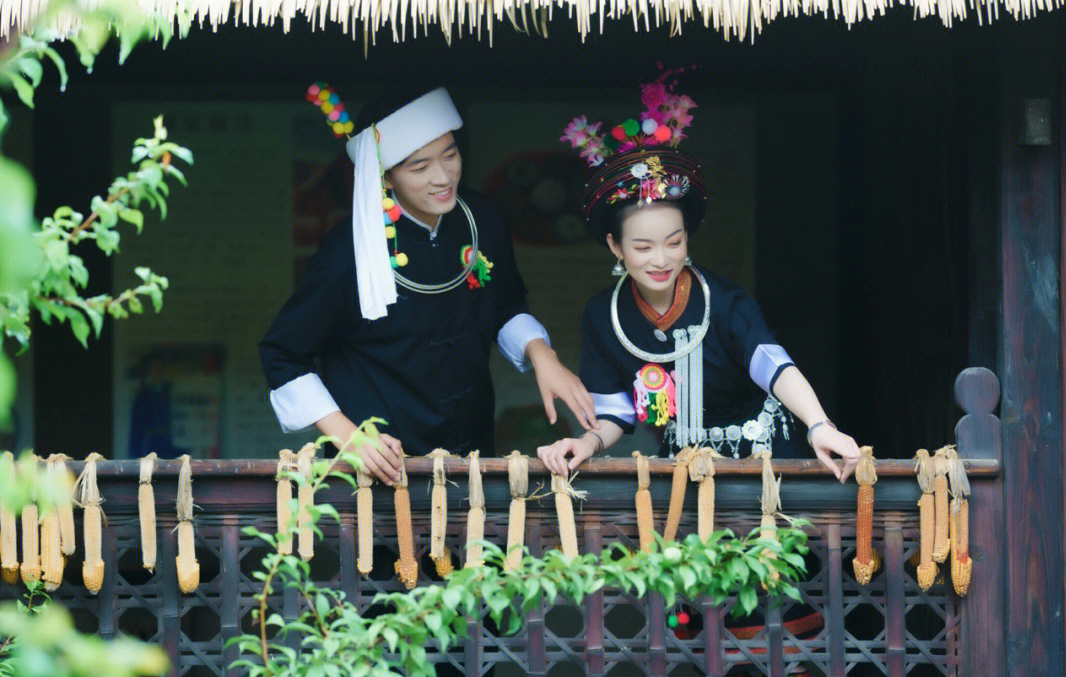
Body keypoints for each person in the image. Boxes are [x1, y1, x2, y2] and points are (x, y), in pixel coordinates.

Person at [261, 86, 596, 485]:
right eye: (419, 168)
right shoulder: (348, 250)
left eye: (450, 154)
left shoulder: (482, 218)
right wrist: (349, 438)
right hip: (380, 469)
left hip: (470, 457)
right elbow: (283, 354)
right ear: (385, 176)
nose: (442, 177)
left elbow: (505, 305)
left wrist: (543, 356)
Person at [538, 73, 859, 480]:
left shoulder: (723, 302)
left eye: (674, 242)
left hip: (763, 456)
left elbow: (773, 365)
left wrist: (820, 426)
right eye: (642, 247)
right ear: (615, 246)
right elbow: (616, 411)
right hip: (683, 465)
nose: (661, 260)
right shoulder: (603, 315)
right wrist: (583, 444)